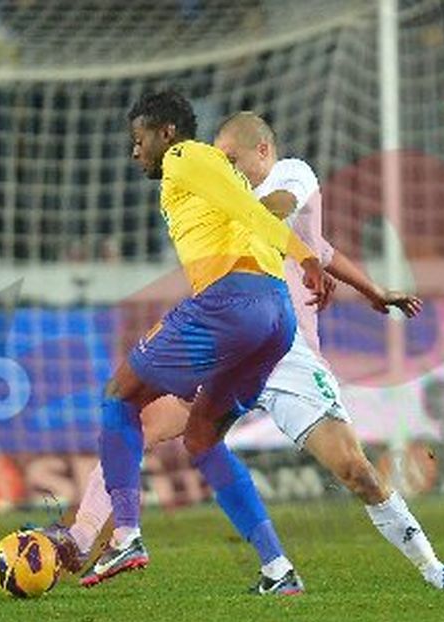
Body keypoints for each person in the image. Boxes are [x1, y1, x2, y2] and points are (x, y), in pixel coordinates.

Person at [49, 112, 444, 592]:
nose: (226, 165)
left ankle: (435, 571)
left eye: (233, 158)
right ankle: (83, 537)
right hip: (229, 339)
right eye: (221, 160)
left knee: (355, 470)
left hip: (286, 350)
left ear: (262, 152)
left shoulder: (290, 174)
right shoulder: (219, 189)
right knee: (142, 423)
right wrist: (371, 287)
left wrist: (244, 212)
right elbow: (316, 247)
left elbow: (284, 221)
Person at [86, 91, 325, 595]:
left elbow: (247, 209)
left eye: (139, 139)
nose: (136, 152)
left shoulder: (184, 157)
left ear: (166, 132)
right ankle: (278, 570)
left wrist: (305, 256)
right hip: (276, 316)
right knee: (201, 437)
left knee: (119, 394)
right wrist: (303, 261)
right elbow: (248, 213)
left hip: (231, 303)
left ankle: (126, 533)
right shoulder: (213, 172)